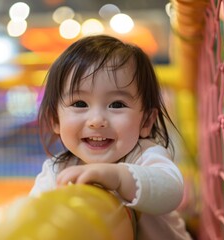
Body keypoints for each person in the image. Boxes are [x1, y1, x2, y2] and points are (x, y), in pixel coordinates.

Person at [29, 35, 192, 239]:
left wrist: (119, 177)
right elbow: (34, 218)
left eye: (117, 105)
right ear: (55, 119)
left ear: (146, 122)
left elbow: (171, 192)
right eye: (80, 104)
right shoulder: (57, 171)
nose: (97, 120)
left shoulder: (144, 157)